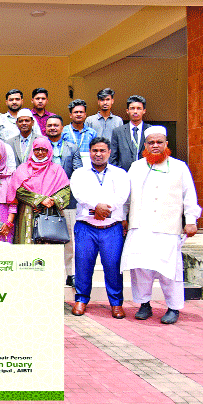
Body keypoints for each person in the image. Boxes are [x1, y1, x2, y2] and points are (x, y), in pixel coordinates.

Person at [121, 126, 201, 324]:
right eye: (151, 142)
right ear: (145, 145)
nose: (155, 146)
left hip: (167, 227)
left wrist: (191, 220)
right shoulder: (136, 167)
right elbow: (126, 197)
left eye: (159, 142)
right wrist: (123, 217)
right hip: (140, 227)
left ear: (166, 144)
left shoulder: (180, 167)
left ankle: (173, 307)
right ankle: (144, 304)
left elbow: (189, 196)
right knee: (140, 269)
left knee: (169, 271)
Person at [70, 137, 130, 319]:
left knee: (113, 265)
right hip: (86, 227)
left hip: (111, 227)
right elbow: (79, 194)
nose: (98, 154)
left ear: (109, 152)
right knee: (83, 264)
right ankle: (81, 300)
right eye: (95, 150)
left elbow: (122, 196)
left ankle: (116, 303)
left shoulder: (120, 173)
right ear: (89, 152)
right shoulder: (79, 173)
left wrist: (105, 209)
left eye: (102, 150)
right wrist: (96, 206)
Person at [7, 138, 71, 244]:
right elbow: (17, 190)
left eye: (44, 150)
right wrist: (40, 200)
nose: (40, 153)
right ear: (32, 150)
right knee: (27, 247)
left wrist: (51, 201)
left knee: (47, 249)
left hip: (50, 213)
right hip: (27, 213)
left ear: (49, 151)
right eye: (37, 149)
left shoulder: (56, 169)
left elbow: (65, 190)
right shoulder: (23, 168)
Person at [45, 115, 83, 284]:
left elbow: (78, 173)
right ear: (45, 128)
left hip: (68, 199)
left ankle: (71, 274)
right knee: (45, 237)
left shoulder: (72, 147)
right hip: (45, 198)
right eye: (50, 125)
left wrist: (62, 193)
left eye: (56, 125)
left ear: (62, 128)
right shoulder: (40, 146)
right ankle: (49, 273)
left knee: (69, 238)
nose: (53, 128)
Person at [109, 95, 150, 171]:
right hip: (123, 174)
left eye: (139, 108)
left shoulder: (150, 130)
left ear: (144, 111)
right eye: (132, 108)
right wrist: (120, 173)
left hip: (146, 173)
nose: (135, 111)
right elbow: (113, 157)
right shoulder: (118, 132)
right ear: (127, 111)